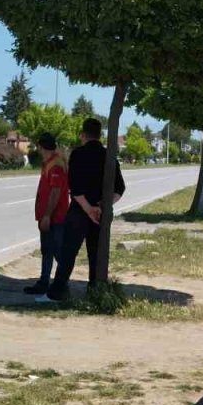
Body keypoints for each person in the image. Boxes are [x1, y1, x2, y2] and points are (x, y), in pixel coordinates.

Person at [44, 118, 126, 302]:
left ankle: (58, 291)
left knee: (68, 252)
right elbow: (120, 188)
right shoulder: (109, 155)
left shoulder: (78, 154)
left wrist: (88, 209)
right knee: (95, 254)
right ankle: (94, 291)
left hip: (79, 211)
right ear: (99, 135)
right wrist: (103, 206)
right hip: (100, 214)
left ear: (83, 135)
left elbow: (75, 187)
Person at [25, 132, 70, 295]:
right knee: (47, 250)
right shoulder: (51, 162)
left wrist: (47, 216)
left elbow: (55, 192)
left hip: (54, 217)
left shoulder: (55, 165)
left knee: (56, 251)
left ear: (41, 147)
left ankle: (61, 284)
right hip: (50, 216)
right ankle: (44, 282)